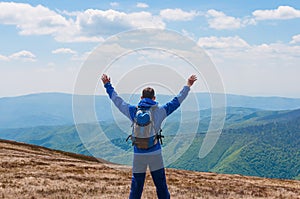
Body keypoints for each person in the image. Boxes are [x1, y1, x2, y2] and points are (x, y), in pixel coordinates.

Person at [101, 74, 197, 199]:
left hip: (138, 154)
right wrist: (188, 85)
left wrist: (107, 85)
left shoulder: (133, 111)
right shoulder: (160, 111)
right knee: (161, 185)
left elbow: (117, 101)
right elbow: (177, 101)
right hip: (155, 154)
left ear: (141, 97)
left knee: (136, 186)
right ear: (154, 98)